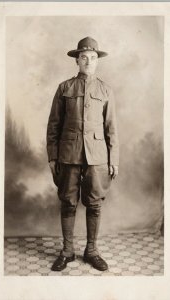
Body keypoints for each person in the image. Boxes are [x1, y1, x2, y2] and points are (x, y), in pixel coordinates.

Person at [46, 37, 119, 272]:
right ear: (77, 60)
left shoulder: (106, 90)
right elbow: (53, 126)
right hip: (68, 155)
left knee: (94, 204)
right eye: (84, 57)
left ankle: (92, 251)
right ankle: (67, 251)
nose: (88, 61)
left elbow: (111, 128)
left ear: (97, 61)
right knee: (68, 202)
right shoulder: (65, 88)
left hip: (97, 157)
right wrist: (52, 156)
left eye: (93, 58)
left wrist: (113, 159)